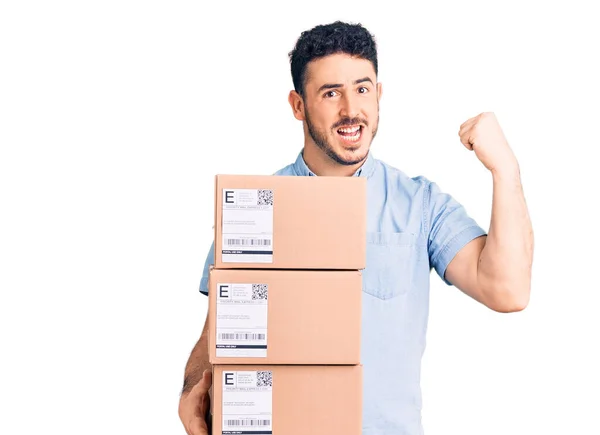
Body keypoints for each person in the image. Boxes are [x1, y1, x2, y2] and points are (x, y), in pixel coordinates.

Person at [178, 20, 534, 435]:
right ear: (298, 106)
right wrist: (190, 390)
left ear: (379, 95)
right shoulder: (254, 209)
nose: (352, 110)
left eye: (362, 89)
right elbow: (219, 333)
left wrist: (506, 171)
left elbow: (507, 290)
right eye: (331, 93)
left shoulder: (420, 204)